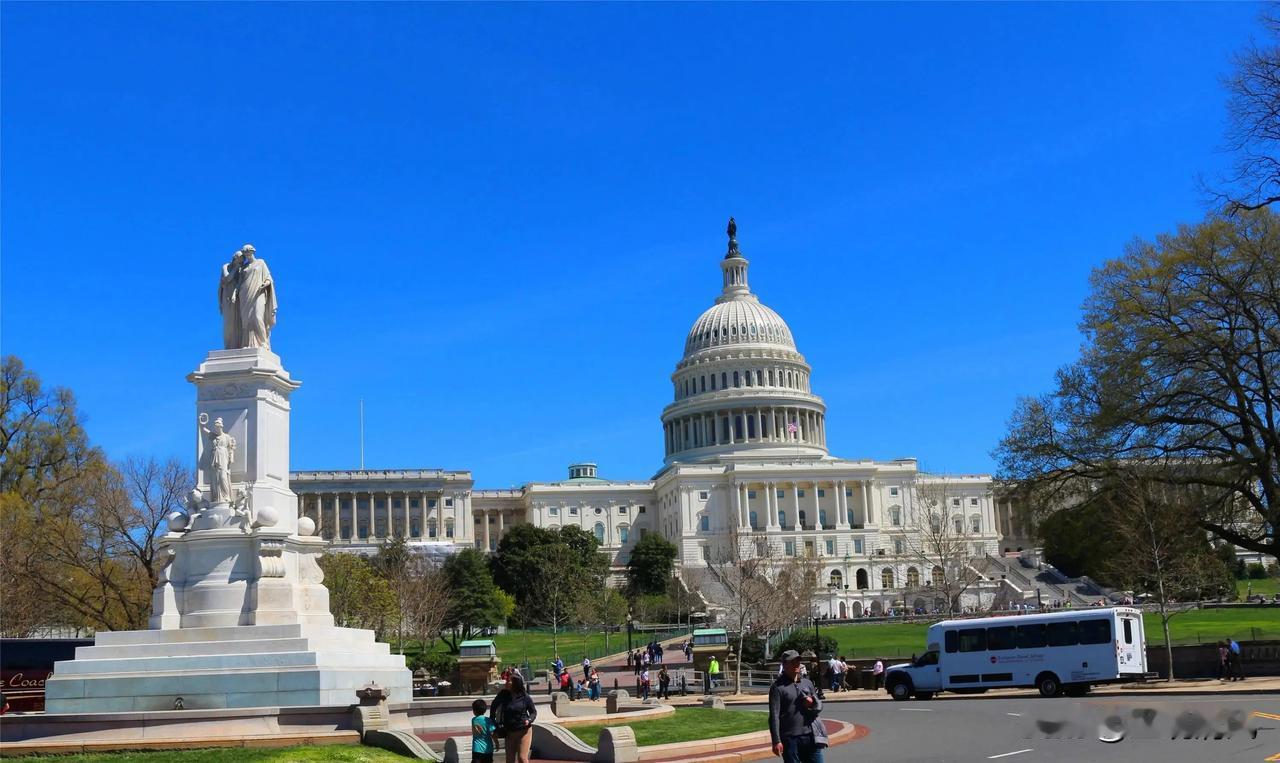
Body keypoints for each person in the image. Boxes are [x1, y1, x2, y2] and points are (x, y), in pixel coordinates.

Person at [769, 650, 827, 763]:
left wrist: (812, 704)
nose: (797, 664)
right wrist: (776, 740)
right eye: (792, 662)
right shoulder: (777, 687)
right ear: (784, 665)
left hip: (810, 736)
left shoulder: (807, 683)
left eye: (798, 661)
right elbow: (774, 716)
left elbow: (819, 706)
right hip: (790, 739)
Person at [491, 672, 537, 763]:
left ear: (515, 683)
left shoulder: (524, 697)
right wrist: (493, 722)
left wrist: (529, 720)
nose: (506, 682)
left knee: (522, 758)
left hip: (524, 731)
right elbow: (493, 707)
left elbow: (533, 712)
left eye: (509, 681)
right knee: (510, 760)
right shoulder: (503, 694)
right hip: (509, 732)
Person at [471, 699, 497, 763]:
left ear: (474, 711)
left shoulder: (473, 720)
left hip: (476, 749)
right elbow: (492, 733)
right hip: (488, 749)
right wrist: (496, 742)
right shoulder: (488, 720)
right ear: (485, 710)